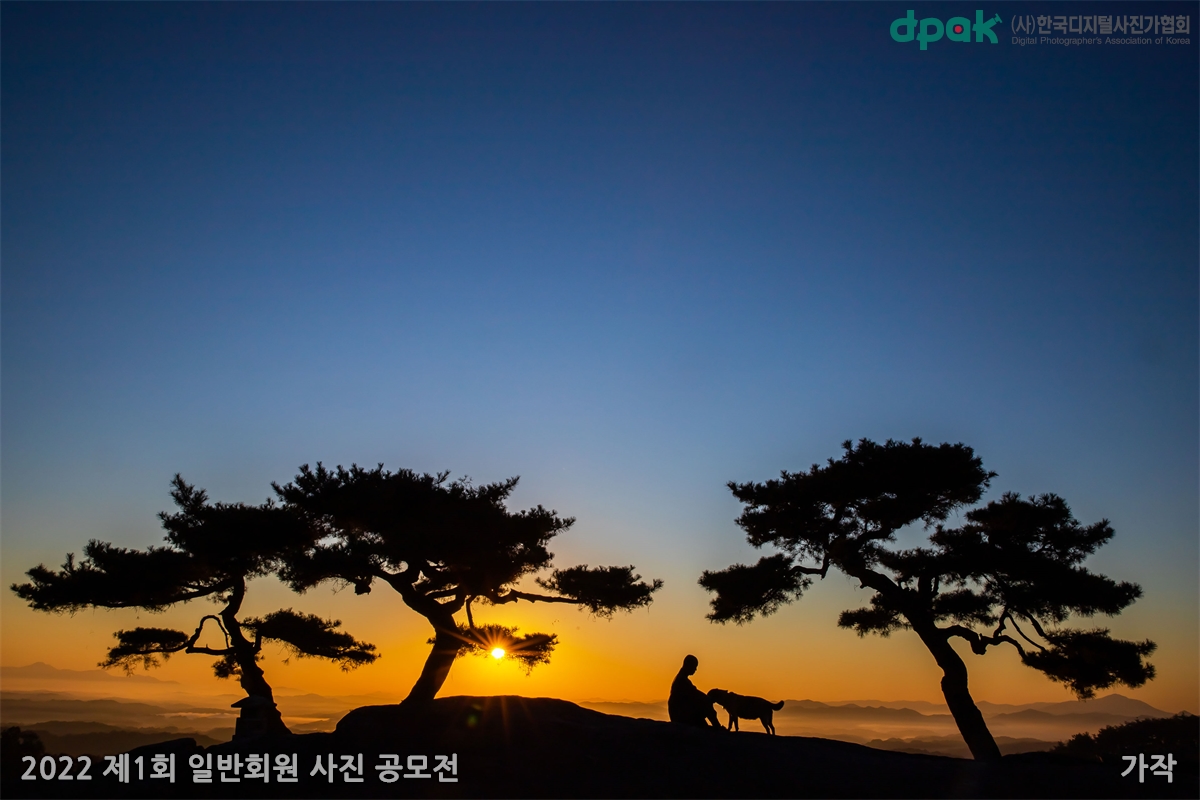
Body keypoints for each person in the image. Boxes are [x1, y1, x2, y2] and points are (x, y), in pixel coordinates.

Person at [668, 654, 721, 728]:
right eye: (694, 666)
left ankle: (714, 727)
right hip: (680, 715)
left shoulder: (681, 678)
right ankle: (717, 727)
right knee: (706, 704)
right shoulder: (682, 681)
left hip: (681, 712)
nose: (695, 669)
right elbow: (695, 694)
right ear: (688, 665)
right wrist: (709, 699)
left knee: (705, 704)